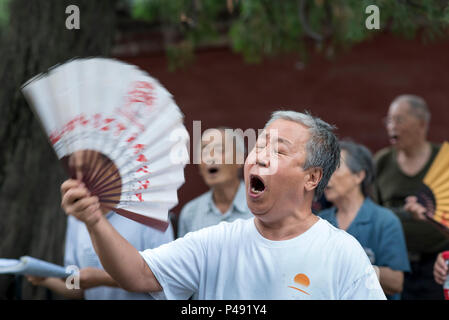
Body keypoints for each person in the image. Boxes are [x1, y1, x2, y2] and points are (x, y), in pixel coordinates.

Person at [60, 110, 386, 300]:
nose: (258, 155)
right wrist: (94, 220)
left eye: (278, 150)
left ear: (311, 178)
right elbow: (139, 275)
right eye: (259, 146)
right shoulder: (217, 241)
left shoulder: (342, 254)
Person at [27, 150, 174, 299]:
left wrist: (102, 279)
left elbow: (166, 279)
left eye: (86, 170)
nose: (78, 179)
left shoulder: (150, 213)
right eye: (74, 171)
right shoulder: (77, 216)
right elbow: (77, 287)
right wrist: (46, 279)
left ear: (113, 170)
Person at [374, 94, 449, 299]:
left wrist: (429, 215)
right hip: (394, 263)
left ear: (422, 124)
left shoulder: (444, 161)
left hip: (437, 264)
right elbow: (372, 211)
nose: (391, 126)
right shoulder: (381, 162)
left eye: (399, 120)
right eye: (388, 120)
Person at [319, 140, 410, 300]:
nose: (326, 177)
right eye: (326, 169)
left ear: (359, 176)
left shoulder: (385, 221)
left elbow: (396, 282)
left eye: (334, 169)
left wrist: (356, 267)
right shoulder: (320, 221)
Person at [177, 127, 252, 238]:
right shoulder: (190, 213)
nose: (210, 158)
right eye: (205, 151)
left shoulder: (260, 207)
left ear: (240, 159)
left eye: (219, 150)